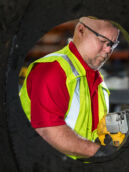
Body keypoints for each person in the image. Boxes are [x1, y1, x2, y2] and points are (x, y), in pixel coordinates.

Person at [19, 17, 120, 160]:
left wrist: (118, 131)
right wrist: (99, 152)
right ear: (81, 30)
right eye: (103, 40)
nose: (108, 49)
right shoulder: (52, 70)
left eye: (113, 44)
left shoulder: (100, 84)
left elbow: (94, 135)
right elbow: (46, 130)